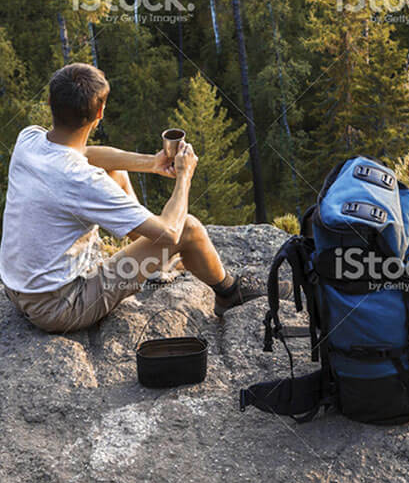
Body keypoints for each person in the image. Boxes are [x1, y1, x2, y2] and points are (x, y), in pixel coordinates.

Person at [0, 62, 262, 334]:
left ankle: (157, 263)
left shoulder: (28, 139)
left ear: (50, 101)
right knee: (189, 229)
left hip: (18, 289)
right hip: (62, 307)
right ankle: (229, 292)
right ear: (100, 113)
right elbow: (170, 233)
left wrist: (152, 163)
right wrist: (184, 176)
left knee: (116, 172)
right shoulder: (82, 180)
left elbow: (83, 154)